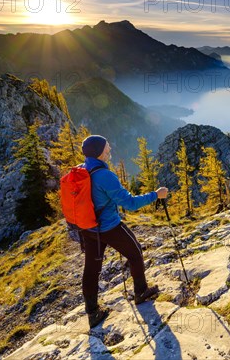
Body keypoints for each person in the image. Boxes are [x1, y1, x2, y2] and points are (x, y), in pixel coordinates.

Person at [80, 135, 168, 328]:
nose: (110, 148)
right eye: (106, 146)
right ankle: (141, 292)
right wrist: (156, 195)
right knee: (135, 253)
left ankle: (93, 313)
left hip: (88, 228)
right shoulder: (104, 175)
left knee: (92, 269)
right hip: (109, 227)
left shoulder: (82, 169)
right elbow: (130, 203)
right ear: (99, 151)